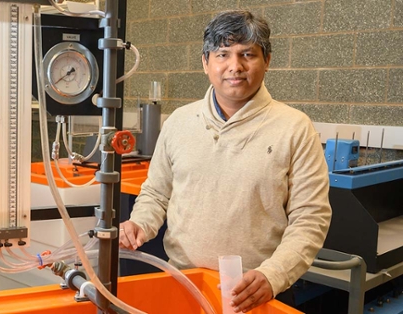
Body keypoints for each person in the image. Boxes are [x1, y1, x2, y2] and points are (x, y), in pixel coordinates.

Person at [119, 10, 331, 313]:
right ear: (206, 63)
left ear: (267, 60)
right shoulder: (180, 122)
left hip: (257, 293)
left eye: (248, 54)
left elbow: (310, 219)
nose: (236, 66)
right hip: (183, 284)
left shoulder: (295, 128)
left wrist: (273, 276)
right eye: (223, 54)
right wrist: (140, 222)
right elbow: (156, 193)